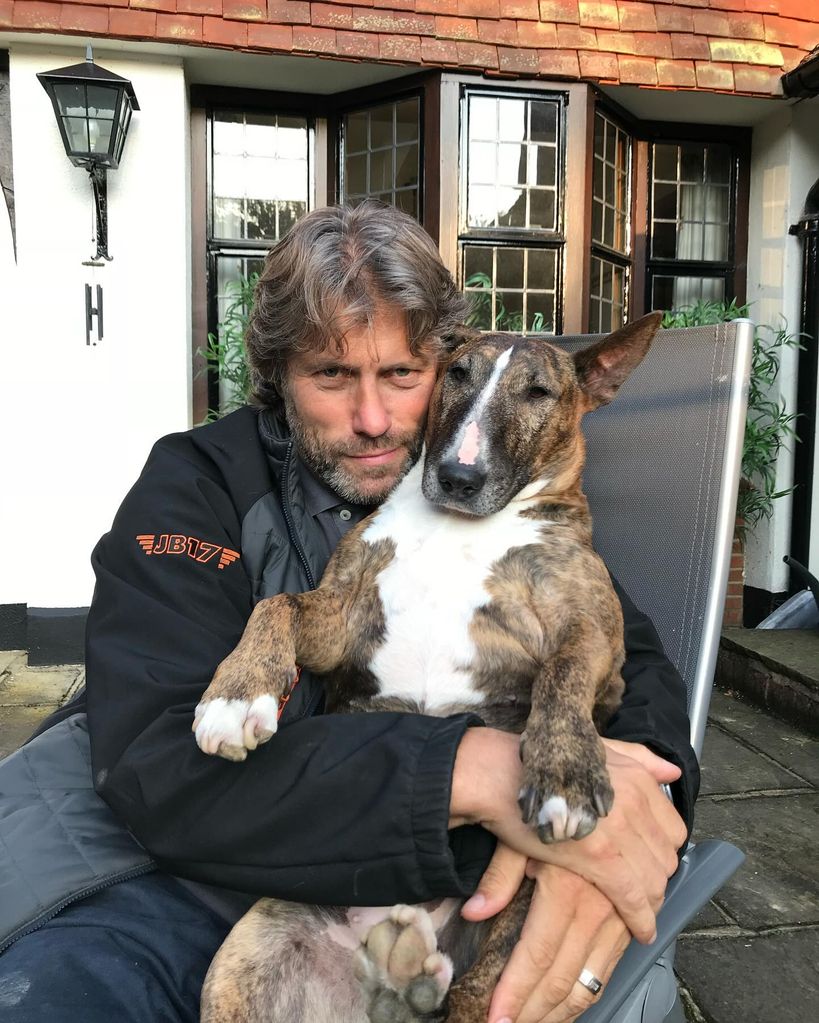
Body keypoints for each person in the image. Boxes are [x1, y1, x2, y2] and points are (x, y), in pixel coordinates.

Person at [0, 202, 697, 1023]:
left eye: (403, 375)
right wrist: (468, 769)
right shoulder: (196, 486)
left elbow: (630, 659)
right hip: (153, 877)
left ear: (444, 366)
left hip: (410, 885)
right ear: (278, 374)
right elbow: (159, 769)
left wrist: (631, 821)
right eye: (331, 375)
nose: (373, 420)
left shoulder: (492, 507)